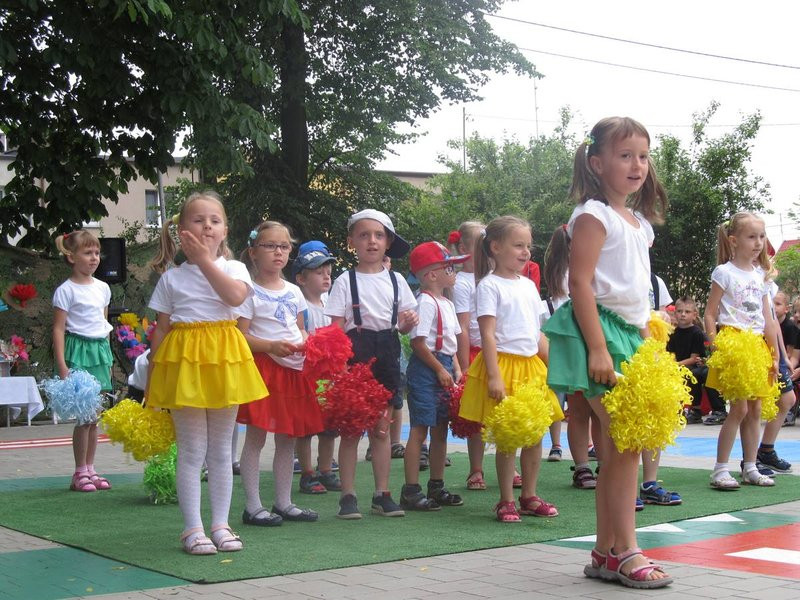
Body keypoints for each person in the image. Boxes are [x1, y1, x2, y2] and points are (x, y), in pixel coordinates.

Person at [543, 117, 673, 588]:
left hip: (632, 337)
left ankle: (606, 551)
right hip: (600, 334)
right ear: (597, 164)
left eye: (642, 155)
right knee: (624, 445)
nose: (636, 165)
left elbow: (636, 290)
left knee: (622, 448)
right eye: (624, 155)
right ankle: (628, 551)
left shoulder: (639, 224)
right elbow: (579, 283)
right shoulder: (593, 215)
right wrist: (597, 347)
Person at [147, 191, 268, 555]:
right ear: (182, 231)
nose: (207, 226)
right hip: (184, 363)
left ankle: (220, 524)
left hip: (224, 360)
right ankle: (192, 528)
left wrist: (204, 261)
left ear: (225, 230)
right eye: (198, 220)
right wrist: (153, 379)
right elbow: (161, 329)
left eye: (214, 220)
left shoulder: (235, 269)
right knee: (192, 450)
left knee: (220, 450)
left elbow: (233, 297)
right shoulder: (171, 278)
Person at [459, 215, 561, 523]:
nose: (526, 252)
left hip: (531, 367)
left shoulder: (530, 286)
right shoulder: (489, 286)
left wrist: (553, 365)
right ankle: (506, 500)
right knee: (508, 435)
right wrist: (494, 376)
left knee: (534, 433)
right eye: (518, 245)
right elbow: (487, 333)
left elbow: (537, 333)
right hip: (504, 364)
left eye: (528, 246)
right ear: (495, 247)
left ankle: (529, 495)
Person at [325, 209, 418, 519]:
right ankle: (348, 495)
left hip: (388, 352)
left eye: (378, 236)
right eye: (364, 235)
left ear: (388, 242)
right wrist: (340, 369)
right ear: (352, 242)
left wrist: (406, 323)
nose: (372, 241)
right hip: (355, 353)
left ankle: (382, 493)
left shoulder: (397, 280)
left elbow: (405, 327)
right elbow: (336, 328)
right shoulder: (343, 280)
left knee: (381, 429)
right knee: (351, 430)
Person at [235, 222, 323, 526]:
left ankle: (284, 502)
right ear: (253, 252)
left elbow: (299, 327)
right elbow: (240, 336)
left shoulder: (295, 291)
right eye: (270, 246)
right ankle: (253, 506)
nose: (278, 252)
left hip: (293, 370)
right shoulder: (247, 291)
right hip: (264, 369)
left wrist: (306, 344)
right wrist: (271, 345)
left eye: (284, 247)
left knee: (288, 439)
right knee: (256, 438)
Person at [704, 212, 778, 491]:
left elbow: (767, 318)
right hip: (734, 343)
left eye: (762, 236)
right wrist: (717, 345)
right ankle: (720, 468)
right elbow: (710, 314)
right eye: (752, 237)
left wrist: (773, 352)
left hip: (756, 344)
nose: (758, 243)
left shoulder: (761, 276)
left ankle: (750, 466)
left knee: (756, 407)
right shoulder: (724, 272)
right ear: (734, 241)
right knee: (739, 408)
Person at [400, 241, 467, 510]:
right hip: (427, 369)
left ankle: (436, 485)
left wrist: (457, 368)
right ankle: (411, 489)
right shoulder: (425, 302)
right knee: (420, 429)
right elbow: (418, 343)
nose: (454, 271)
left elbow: (450, 343)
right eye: (448, 266)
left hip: (445, 366)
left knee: (441, 429)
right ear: (430, 275)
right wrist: (439, 369)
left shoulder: (446, 303)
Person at [52, 230, 114, 493]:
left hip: (99, 351)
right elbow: (58, 329)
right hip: (79, 351)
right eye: (87, 253)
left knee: (95, 416)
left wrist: (108, 359)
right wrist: (63, 365)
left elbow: (103, 323)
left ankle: (91, 468)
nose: (94, 258)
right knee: (83, 417)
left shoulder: (103, 288)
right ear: (71, 257)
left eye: (97, 253)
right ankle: (79, 471)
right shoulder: (65, 291)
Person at [541, 225, 600, 490]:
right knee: (589, 411)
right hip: (584, 342)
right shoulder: (574, 274)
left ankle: (584, 467)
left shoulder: (562, 273)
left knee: (581, 412)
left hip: (582, 344)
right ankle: (587, 466)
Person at [292, 241, 342, 494]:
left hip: (329, 375)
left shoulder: (332, 304)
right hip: (308, 375)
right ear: (301, 278)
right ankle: (307, 472)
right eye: (318, 272)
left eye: (328, 271)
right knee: (307, 427)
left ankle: (325, 469)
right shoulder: (301, 306)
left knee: (329, 427)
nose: (326, 276)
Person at [450, 221, 489, 490]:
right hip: (474, 353)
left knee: (502, 412)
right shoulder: (462, 282)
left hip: (498, 352)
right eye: (480, 246)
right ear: (463, 249)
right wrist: (464, 367)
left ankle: (509, 469)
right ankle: (476, 469)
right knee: (476, 416)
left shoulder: (492, 278)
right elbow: (462, 327)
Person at [637, 274, 681, 510]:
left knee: (655, 417)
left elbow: (663, 319)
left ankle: (649, 484)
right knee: (626, 421)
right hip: (624, 349)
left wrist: (662, 318)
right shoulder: (616, 272)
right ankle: (619, 485)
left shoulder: (656, 281)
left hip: (653, 356)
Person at [751, 283, 794, 474]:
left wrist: (783, 356)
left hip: (772, 350)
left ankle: (766, 450)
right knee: (752, 406)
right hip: (754, 345)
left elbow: (773, 323)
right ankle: (750, 460)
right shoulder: (746, 277)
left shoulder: (768, 283)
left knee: (788, 398)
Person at [668, 297, 726, 425]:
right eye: (680, 311)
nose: (683, 314)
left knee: (695, 374)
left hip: (696, 366)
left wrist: (676, 365)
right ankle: (675, 410)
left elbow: (694, 358)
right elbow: (671, 354)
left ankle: (705, 410)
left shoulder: (697, 333)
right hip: (680, 365)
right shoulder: (672, 333)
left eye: (687, 312)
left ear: (694, 315)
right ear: (675, 313)